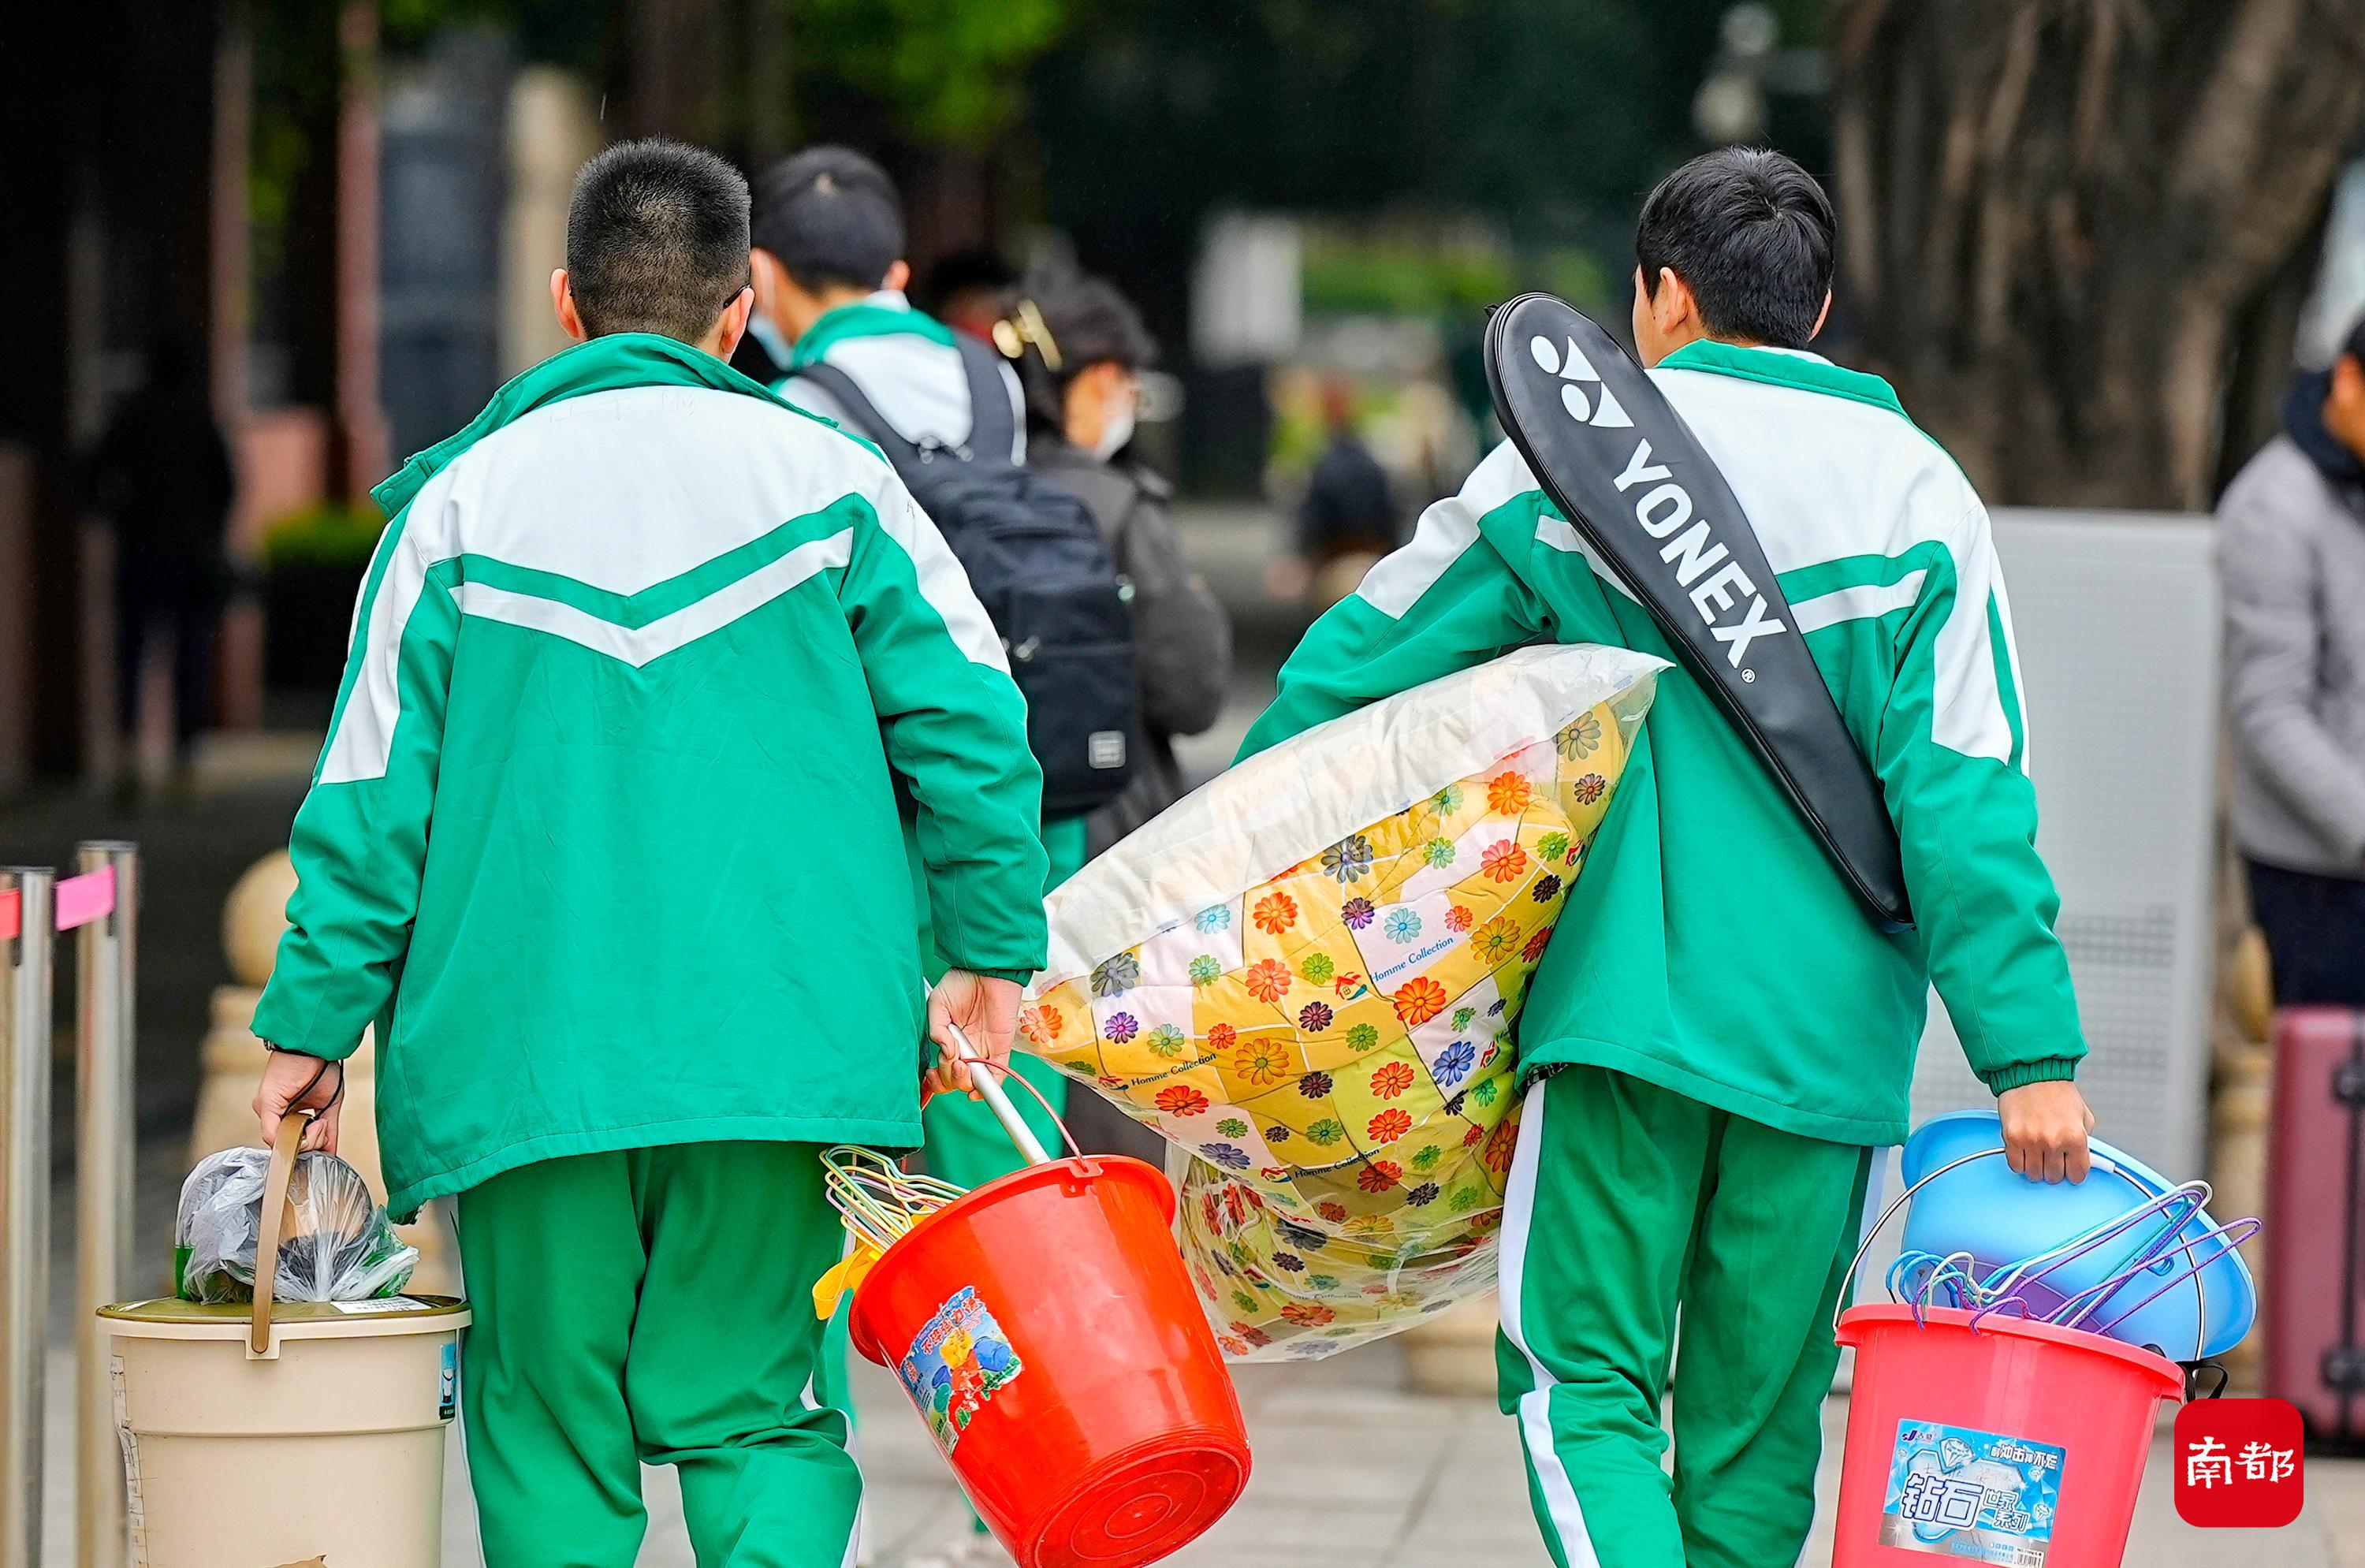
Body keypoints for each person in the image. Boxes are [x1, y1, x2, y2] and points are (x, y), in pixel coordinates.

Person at [1237, 147, 2094, 1568]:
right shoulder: (1918, 495)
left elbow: (1354, 670)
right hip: (1826, 1054)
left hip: (1625, 1020)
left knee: (1582, 1382)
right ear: (1814, 309)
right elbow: (1970, 797)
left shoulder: (1566, 467)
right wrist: (2031, 1053)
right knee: (1758, 1429)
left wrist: (1219, 866)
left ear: (1661, 297)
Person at [248, 139, 1048, 1568]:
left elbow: (369, 798)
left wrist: (313, 1022)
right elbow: (979, 729)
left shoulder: (456, 509)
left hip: (523, 1058)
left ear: (567, 302)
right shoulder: (836, 482)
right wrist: (993, 947)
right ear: (739, 314)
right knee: (762, 1417)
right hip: (781, 1048)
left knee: (546, 1421)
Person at [750, 144, 1077, 1186]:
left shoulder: (793, 411)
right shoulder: (997, 384)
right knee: (998, 1100)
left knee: (844, 1147)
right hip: (1001, 781)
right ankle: (1021, 1339)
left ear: (761, 278)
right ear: (897, 272)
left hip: (868, 809)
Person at [999, 263, 1233, 856]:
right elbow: (1191, 694)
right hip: (1113, 823)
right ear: (1104, 378)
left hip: (997, 818)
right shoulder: (1124, 507)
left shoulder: (962, 497)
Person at [2219, 322, 2365, 1006]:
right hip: (2317, 880)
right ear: (2347, 381)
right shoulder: (2271, 508)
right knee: (2330, 1099)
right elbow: (2270, 713)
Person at [88, 333, 236, 783]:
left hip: (142, 552)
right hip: (191, 555)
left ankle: (128, 757)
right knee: (189, 655)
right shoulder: (199, 419)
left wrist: (118, 513)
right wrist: (208, 532)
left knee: (132, 655)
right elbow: (226, 485)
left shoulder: (131, 418)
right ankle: (183, 761)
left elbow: (92, 473)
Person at [1277, 378, 1399, 613]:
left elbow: (1312, 524)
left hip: (1336, 567)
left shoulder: (1324, 466)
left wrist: (1300, 557)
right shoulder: (1374, 464)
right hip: (1376, 564)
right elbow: (1392, 518)